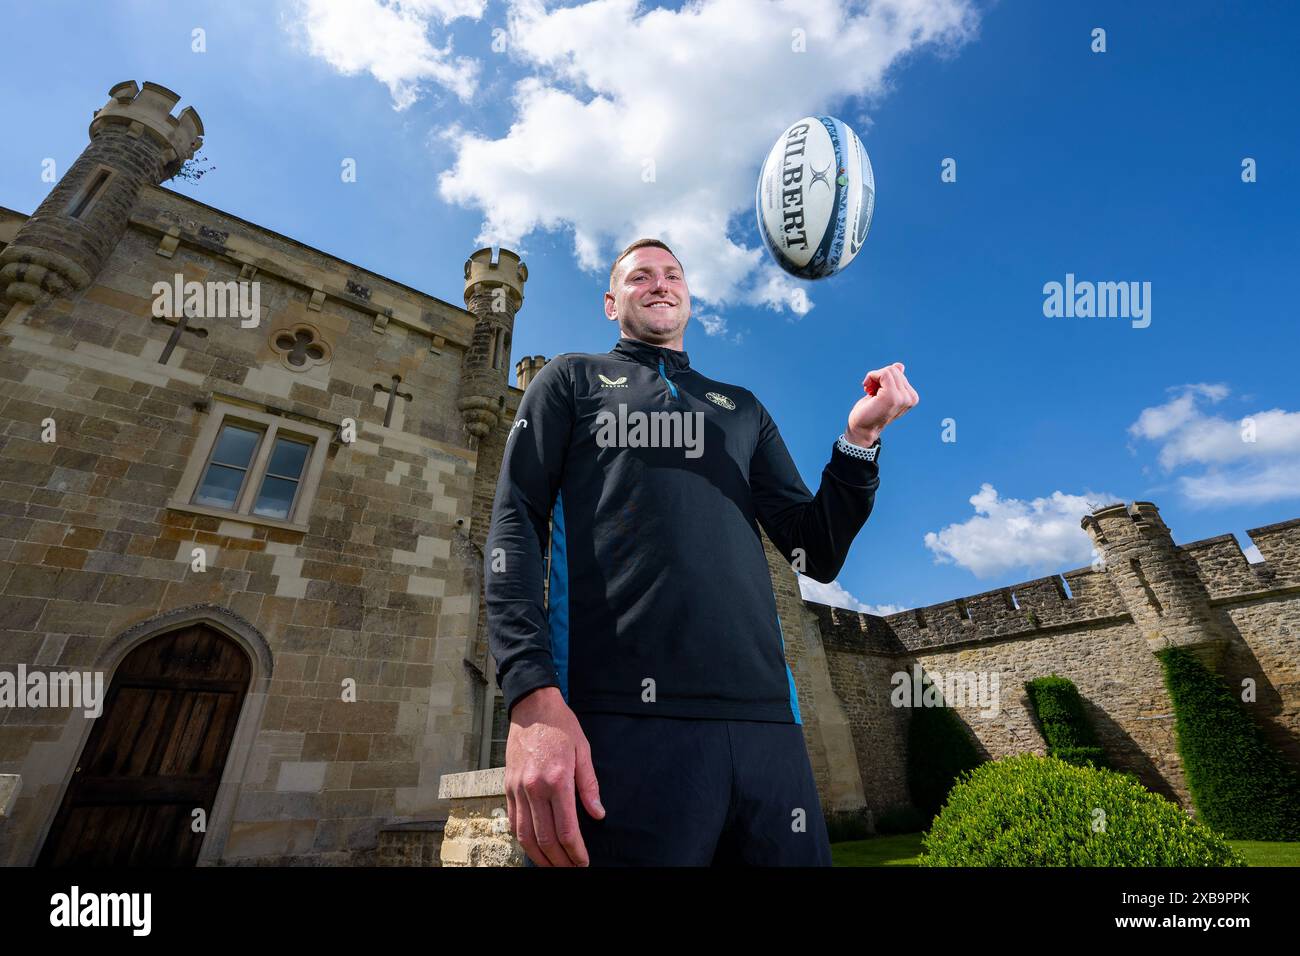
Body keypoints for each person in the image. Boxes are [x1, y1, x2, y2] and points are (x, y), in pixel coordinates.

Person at [484, 238, 917, 866]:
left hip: (768, 727)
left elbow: (812, 549)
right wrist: (531, 697)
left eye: (673, 274)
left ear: (689, 297)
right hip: (618, 722)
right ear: (612, 302)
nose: (660, 283)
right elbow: (514, 524)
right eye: (640, 277)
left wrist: (861, 436)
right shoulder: (570, 381)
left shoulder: (742, 408)